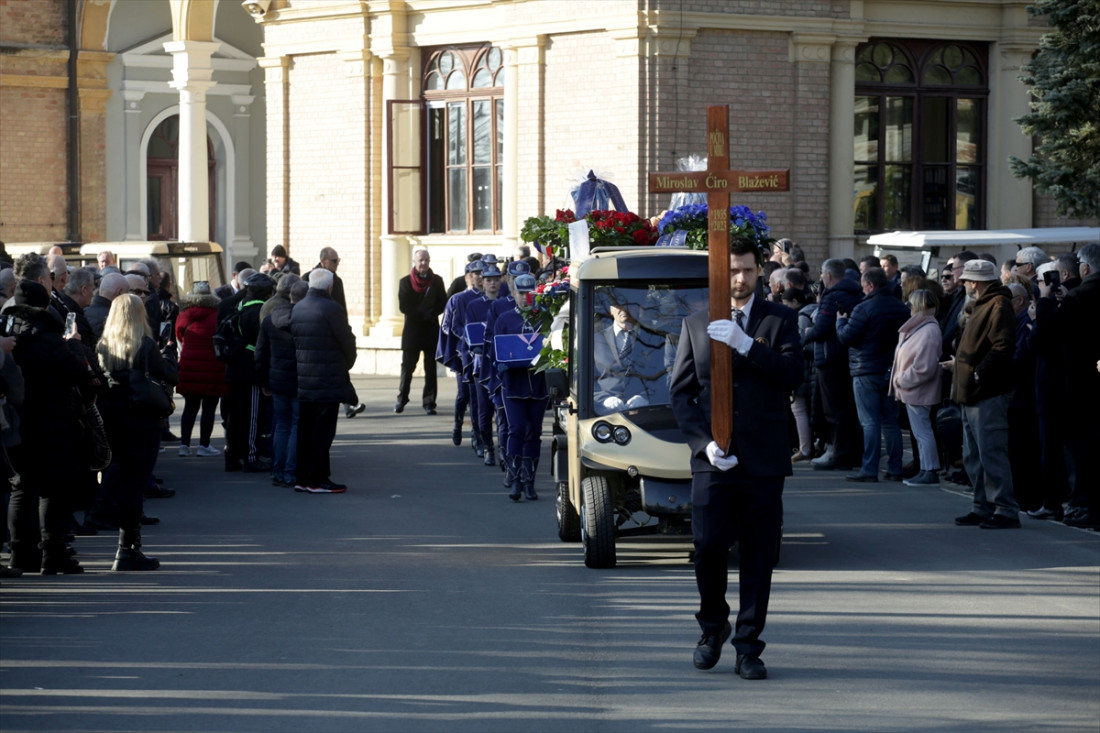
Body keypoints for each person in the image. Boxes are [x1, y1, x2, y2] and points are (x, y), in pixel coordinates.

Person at [669, 235, 803, 681]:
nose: (739, 278)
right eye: (732, 270)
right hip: (714, 459)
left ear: (759, 271)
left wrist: (748, 345)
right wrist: (702, 443)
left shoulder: (780, 320)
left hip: (763, 459)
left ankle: (749, 645)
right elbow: (682, 393)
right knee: (707, 548)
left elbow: (793, 376)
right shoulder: (695, 323)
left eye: (747, 269)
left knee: (758, 556)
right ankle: (713, 626)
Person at [4, 281, 95, 574]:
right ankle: (53, 554)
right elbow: (77, 372)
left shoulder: (8, 335)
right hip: (52, 420)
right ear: (46, 306)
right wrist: (75, 343)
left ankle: (21, 554)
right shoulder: (51, 338)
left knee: (22, 488)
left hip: (18, 422)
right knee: (53, 489)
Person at [97, 294, 177, 570]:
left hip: (113, 420)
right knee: (135, 482)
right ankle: (128, 549)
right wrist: (169, 353)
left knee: (123, 478)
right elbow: (169, 375)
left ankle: (126, 546)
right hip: (142, 421)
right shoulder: (144, 345)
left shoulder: (104, 345)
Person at [946, 259, 1020, 529]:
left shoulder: (997, 304)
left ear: (975, 282)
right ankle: (982, 506)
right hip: (973, 391)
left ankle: (1005, 509)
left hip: (986, 390)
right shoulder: (983, 304)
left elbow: (1002, 346)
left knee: (990, 452)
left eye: (966, 280)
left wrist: (979, 372)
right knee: (973, 455)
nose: (963, 283)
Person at [836, 267, 911, 482]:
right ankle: (894, 468)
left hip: (865, 369)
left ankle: (869, 468)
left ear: (869, 285)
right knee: (890, 420)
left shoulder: (863, 308)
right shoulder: (900, 308)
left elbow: (846, 337)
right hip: (890, 369)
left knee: (869, 422)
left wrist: (840, 321)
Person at [291, 268, 357, 493]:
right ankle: (318, 479)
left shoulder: (298, 308)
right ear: (329, 287)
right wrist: (346, 364)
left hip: (304, 379)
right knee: (323, 432)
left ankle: (302, 478)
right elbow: (347, 341)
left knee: (305, 430)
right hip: (327, 379)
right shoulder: (332, 308)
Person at [803, 258, 863, 471]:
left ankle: (840, 454)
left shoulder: (831, 296)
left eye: (822, 273)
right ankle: (852, 453)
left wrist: (808, 333)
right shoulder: (855, 293)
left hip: (830, 358)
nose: (820, 277)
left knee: (834, 411)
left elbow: (822, 328)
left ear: (828, 275)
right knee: (848, 409)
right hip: (847, 358)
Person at [889, 289, 944, 486]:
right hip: (913, 389)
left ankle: (929, 470)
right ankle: (925, 469)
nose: (909, 308)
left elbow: (924, 367)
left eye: (911, 304)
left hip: (917, 389)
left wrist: (900, 380)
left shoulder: (928, 330)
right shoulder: (920, 327)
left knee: (923, 432)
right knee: (921, 433)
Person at [255, 274, 302, 488]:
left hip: (277, 380)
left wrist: (264, 381)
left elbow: (261, 353)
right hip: (299, 380)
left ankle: (278, 470)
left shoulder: (269, 319)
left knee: (281, 425)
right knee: (294, 425)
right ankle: (291, 472)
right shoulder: (303, 320)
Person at [593, 294, 675, 415]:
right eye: (618, 305)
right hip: (603, 414)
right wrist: (604, 399)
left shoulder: (656, 339)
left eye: (629, 305)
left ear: (639, 308)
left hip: (648, 412)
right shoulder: (595, 340)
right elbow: (583, 379)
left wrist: (646, 397)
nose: (624, 310)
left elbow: (667, 376)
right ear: (610, 309)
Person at [174, 281, 226, 458]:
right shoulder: (216, 314)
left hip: (189, 364)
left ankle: (184, 445)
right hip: (212, 366)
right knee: (209, 408)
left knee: (190, 407)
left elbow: (179, 335)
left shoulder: (184, 314)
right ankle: (204, 445)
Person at [437, 260, 484, 446]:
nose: (479, 277)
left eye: (482, 273)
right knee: (464, 394)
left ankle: (477, 433)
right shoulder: (458, 299)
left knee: (480, 398)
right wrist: (468, 338)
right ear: (467, 277)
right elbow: (449, 325)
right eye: (475, 273)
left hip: (484, 354)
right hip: (463, 354)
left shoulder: (489, 299)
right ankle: (457, 425)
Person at [396, 248, 446, 415]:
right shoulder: (405, 282)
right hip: (413, 331)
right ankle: (402, 398)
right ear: (414, 262)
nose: (423, 263)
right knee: (408, 367)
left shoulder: (437, 281)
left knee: (431, 369)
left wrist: (431, 313)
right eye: (420, 260)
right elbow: (404, 305)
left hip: (431, 329)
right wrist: (421, 314)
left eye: (426, 260)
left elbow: (443, 302)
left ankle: (429, 402)